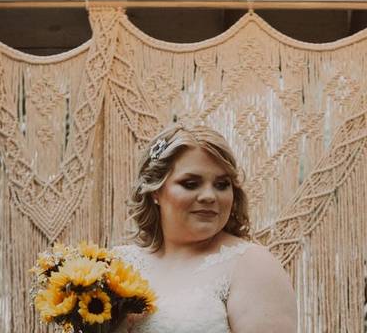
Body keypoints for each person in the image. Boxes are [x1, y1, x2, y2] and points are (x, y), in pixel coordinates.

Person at [113, 124, 297, 333]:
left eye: (221, 184)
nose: (209, 196)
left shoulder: (252, 265)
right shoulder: (117, 264)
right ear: (156, 191)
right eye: (191, 183)